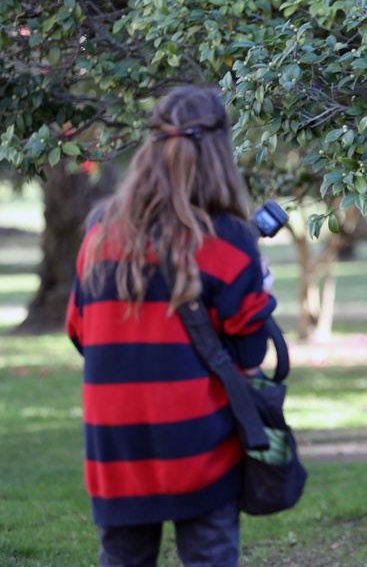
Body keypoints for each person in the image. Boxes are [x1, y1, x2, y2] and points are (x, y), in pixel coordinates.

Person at [66, 85, 277, 567]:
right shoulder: (229, 239)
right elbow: (249, 356)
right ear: (220, 150)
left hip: (114, 443)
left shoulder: (100, 231)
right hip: (199, 444)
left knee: (121, 558)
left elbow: (81, 333)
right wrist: (258, 290)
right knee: (210, 555)